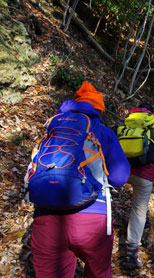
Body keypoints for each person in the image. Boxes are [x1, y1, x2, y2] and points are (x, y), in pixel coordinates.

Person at [29, 81, 131, 278]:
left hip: (46, 216)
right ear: (98, 111)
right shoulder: (103, 132)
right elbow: (120, 177)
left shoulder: (52, 129)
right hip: (92, 218)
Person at [123, 102, 154, 269]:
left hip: (121, 171)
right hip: (144, 174)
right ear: (151, 112)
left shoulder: (126, 122)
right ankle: (131, 253)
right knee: (138, 209)